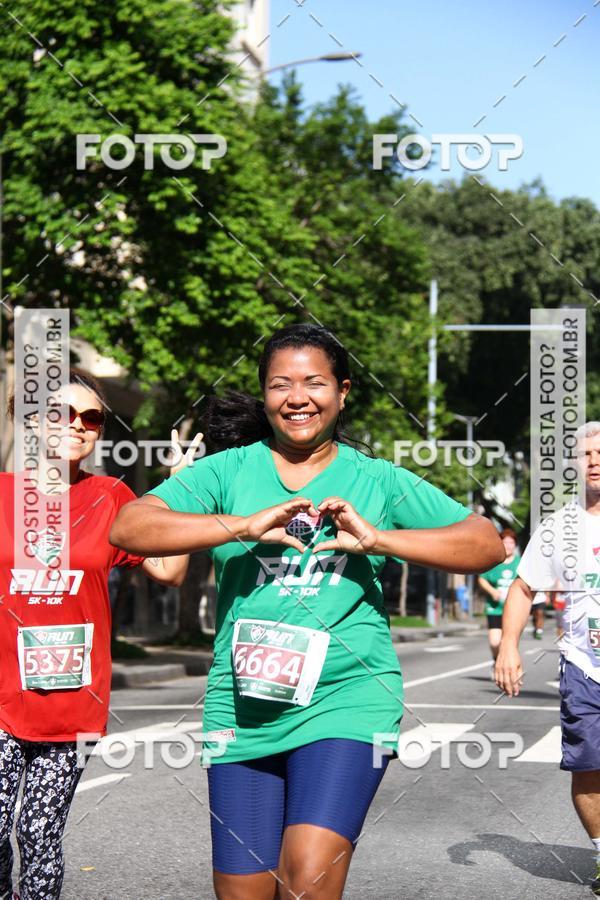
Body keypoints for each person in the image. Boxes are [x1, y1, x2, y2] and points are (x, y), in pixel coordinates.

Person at [111, 323, 504, 900]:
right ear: (266, 396)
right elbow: (131, 526)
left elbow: (484, 543)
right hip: (243, 704)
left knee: (307, 877)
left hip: (347, 699)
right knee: (243, 892)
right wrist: (243, 525)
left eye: (314, 383)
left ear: (343, 392)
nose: (297, 398)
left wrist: (379, 541)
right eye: (280, 385)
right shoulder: (227, 472)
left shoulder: (377, 479)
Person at [0, 368, 194, 900]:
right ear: (31, 421)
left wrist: (179, 489)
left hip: (71, 701)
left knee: (39, 834)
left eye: (93, 418)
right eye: (65, 413)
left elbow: (169, 571)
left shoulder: (110, 495)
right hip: (0, 693)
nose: (81, 426)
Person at [496, 422, 600, 895]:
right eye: (585, 454)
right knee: (588, 766)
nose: (593, 460)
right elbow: (522, 588)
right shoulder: (561, 526)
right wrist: (510, 645)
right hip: (584, 666)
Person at [478, 528, 520, 663]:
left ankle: (507, 666)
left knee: (508, 642)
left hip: (514, 610)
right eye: (505, 542)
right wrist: (492, 591)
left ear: (515, 545)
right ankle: (497, 661)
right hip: (495, 608)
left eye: (511, 543)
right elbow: (482, 578)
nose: (508, 546)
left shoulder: (520, 563)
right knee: (495, 642)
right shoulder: (494, 561)